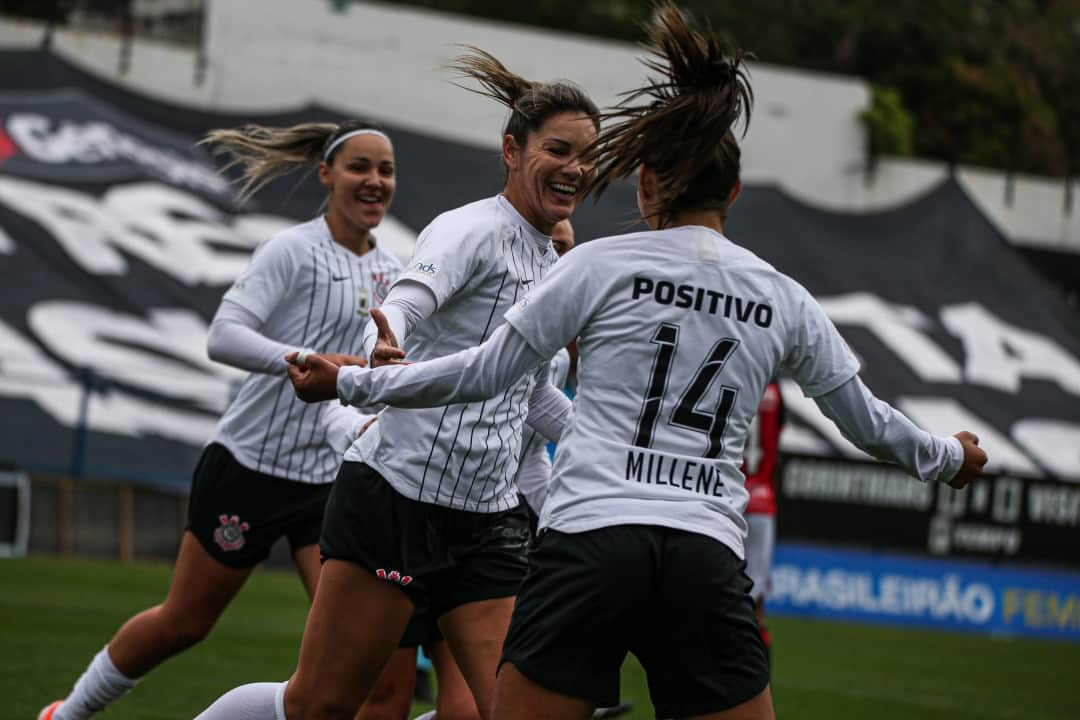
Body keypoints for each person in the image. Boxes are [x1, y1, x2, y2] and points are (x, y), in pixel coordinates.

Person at [286, 5, 989, 719]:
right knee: (345, 702)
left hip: (584, 540)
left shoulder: (594, 264)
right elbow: (864, 420)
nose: (578, 170)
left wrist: (350, 381)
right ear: (735, 193)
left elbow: (489, 374)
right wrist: (946, 458)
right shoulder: (783, 296)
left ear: (645, 184)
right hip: (700, 552)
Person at [192, 47, 599, 720]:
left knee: (513, 711)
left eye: (588, 156)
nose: (577, 169)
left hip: (490, 519)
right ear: (511, 151)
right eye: (559, 150)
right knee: (319, 706)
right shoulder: (469, 231)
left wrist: (615, 449)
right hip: (395, 501)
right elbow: (405, 302)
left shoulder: (555, 258)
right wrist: (382, 350)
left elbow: (526, 391)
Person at [37, 120, 401, 720]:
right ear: (326, 174)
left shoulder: (394, 270)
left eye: (385, 169)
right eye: (360, 166)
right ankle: (67, 714)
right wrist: (305, 360)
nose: (374, 180)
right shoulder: (292, 250)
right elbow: (223, 336)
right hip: (249, 468)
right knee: (185, 622)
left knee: (350, 648)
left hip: (330, 481)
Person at [741, 379, 785, 666]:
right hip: (762, 502)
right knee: (756, 608)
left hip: (728, 498)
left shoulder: (740, 377)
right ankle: (759, 684)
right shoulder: (776, 391)